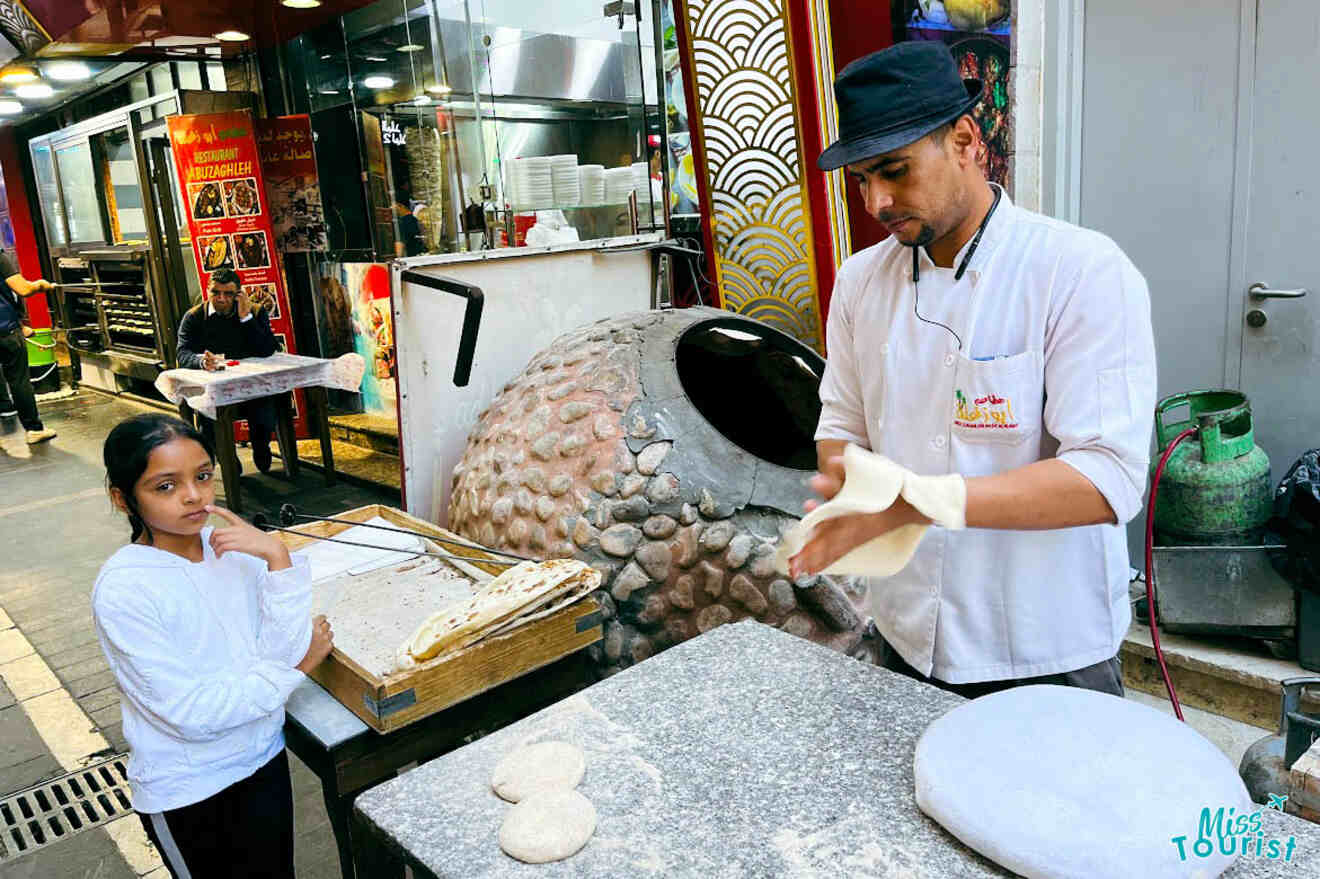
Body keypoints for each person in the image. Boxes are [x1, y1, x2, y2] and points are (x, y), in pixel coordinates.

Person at [789, 42, 1157, 699]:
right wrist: (853, 501)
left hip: (1046, 650)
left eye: (894, 171)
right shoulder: (858, 282)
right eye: (861, 179)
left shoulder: (1078, 272)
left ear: (965, 141)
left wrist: (921, 501)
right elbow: (841, 424)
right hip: (906, 638)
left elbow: (1104, 478)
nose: (876, 200)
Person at [92, 413, 333, 878]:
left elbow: (283, 642)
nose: (194, 496)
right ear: (123, 499)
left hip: (261, 757)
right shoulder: (125, 589)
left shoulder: (230, 546)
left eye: (203, 476)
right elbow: (192, 715)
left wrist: (277, 559)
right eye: (165, 486)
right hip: (191, 789)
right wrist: (295, 671)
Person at [176, 269, 280, 472]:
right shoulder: (194, 317)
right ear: (207, 291)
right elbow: (182, 352)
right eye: (216, 293)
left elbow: (267, 350)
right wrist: (200, 362)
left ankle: (261, 447)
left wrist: (246, 318)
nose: (221, 299)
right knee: (209, 420)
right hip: (215, 388)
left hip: (250, 386)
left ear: (238, 294)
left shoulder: (256, 312)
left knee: (265, 409)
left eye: (228, 294)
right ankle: (227, 459)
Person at [0, 249, 57, 443]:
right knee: (18, 380)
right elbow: (22, 289)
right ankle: (34, 429)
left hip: (8, 326)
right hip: (4, 330)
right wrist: (40, 285)